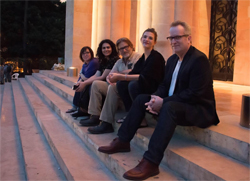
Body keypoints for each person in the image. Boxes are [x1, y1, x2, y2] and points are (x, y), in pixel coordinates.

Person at [98, 21, 220, 180]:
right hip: (176, 102)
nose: (173, 41)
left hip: (198, 109)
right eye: (171, 38)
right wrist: (155, 98)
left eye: (178, 37)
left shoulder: (199, 59)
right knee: (142, 98)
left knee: (170, 108)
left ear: (189, 38)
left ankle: (151, 162)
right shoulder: (172, 60)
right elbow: (164, 85)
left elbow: (195, 93)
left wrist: (165, 102)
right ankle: (122, 140)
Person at [80, 37, 141, 133]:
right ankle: (95, 115)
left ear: (131, 46)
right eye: (121, 49)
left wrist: (119, 74)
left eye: (126, 47)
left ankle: (106, 123)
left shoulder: (138, 57)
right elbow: (109, 75)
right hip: (117, 87)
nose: (124, 50)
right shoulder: (119, 62)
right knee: (96, 84)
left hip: (129, 89)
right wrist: (111, 77)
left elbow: (136, 71)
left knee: (112, 88)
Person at [108, 28, 165, 123]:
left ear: (154, 42)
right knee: (121, 84)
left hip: (155, 89)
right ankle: (131, 114)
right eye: (145, 37)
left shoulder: (156, 57)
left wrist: (121, 77)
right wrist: (115, 76)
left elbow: (144, 77)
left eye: (150, 38)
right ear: (141, 39)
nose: (147, 39)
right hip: (145, 86)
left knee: (133, 84)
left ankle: (140, 118)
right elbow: (134, 72)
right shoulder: (143, 57)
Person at [72, 39, 119, 119]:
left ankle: (93, 114)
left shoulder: (114, 60)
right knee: (87, 83)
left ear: (112, 48)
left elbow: (102, 77)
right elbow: (96, 75)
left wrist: (85, 82)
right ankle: (84, 110)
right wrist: (84, 82)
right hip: (104, 83)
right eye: (103, 48)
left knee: (93, 84)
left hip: (111, 85)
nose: (106, 50)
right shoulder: (103, 60)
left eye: (108, 47)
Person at [66, 46, 99, 114]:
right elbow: (81, 77)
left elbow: (86, 77)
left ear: (91, 53)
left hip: (95, 81)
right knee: (78, 85)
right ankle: (75, 107)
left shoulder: (94, 62)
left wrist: (80, 78)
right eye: (83, 53)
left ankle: (81, 108)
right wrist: (78, 81)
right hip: (89, 80)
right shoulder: (85, 64)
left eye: (87, 52)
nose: (85, 55)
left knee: (81, 85)